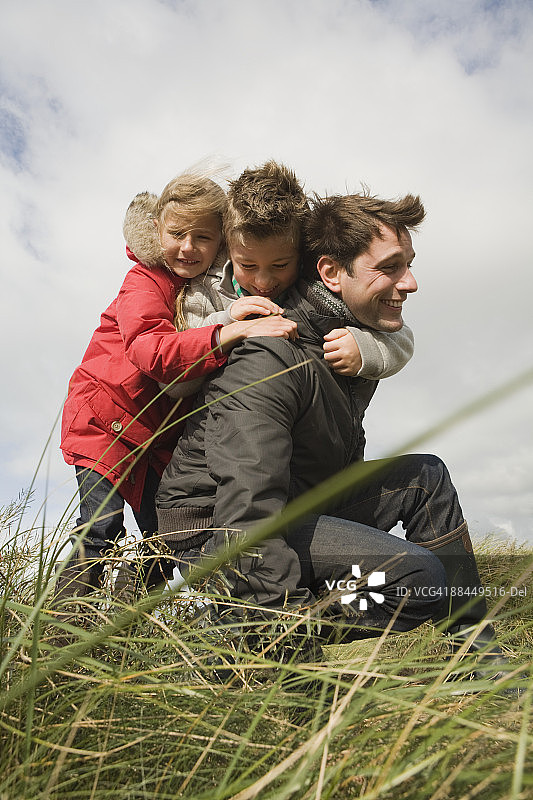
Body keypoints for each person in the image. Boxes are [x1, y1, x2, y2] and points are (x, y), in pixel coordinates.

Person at [155, 187, 515, 685]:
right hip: (217, 525)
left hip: (298, 499)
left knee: (425, 477)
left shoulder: (353, 343)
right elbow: (247, 511)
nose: (410, 283)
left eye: (409, 264)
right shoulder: (270, 355)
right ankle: (243, 632)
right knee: (416, 577)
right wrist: (286, 642)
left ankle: (476, 655)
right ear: (330, 273)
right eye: (389, 267)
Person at [55, 169, 296, 603]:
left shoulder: (208, 288)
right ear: (156, 229)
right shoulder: (144, 281)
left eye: (203, 237)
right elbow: (152, 351)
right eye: (177, 233)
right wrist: (227, 333)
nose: (188, 247)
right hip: (105, 419)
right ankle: (58, 632)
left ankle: (127, 619)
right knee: (102, 527)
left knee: (167, 536)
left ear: (220, 241)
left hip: (154, 437)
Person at [122, 161, 415, 401]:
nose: (263, 281)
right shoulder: (203, 292)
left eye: (280, 265)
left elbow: (398, 334)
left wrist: (365, 349)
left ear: (299, 255)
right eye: (247, 265)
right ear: (227, 248)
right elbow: (173, 386)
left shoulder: (317, 283)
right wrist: (230, 324)